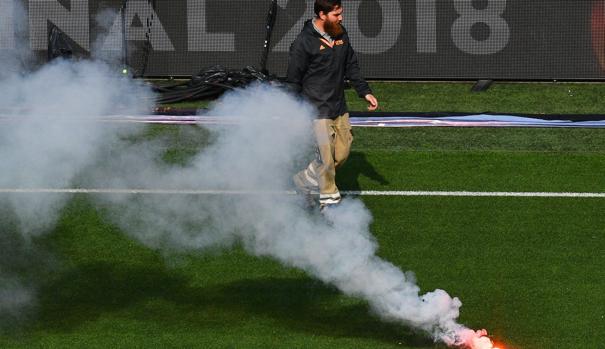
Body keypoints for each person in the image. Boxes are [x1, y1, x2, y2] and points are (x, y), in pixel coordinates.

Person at [287, 0, 378, 211]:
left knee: (342, 155)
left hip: (338, 107)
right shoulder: (303, 43)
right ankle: (329, 204)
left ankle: (303, 180)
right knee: (326, 160)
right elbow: (293, 80)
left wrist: (364, 91)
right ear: (322, 14)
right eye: (336, 14)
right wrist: (292, 111)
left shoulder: (340, 34)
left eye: (341, 13)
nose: (341, 18)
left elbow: (351, 65)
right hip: (316, 110)